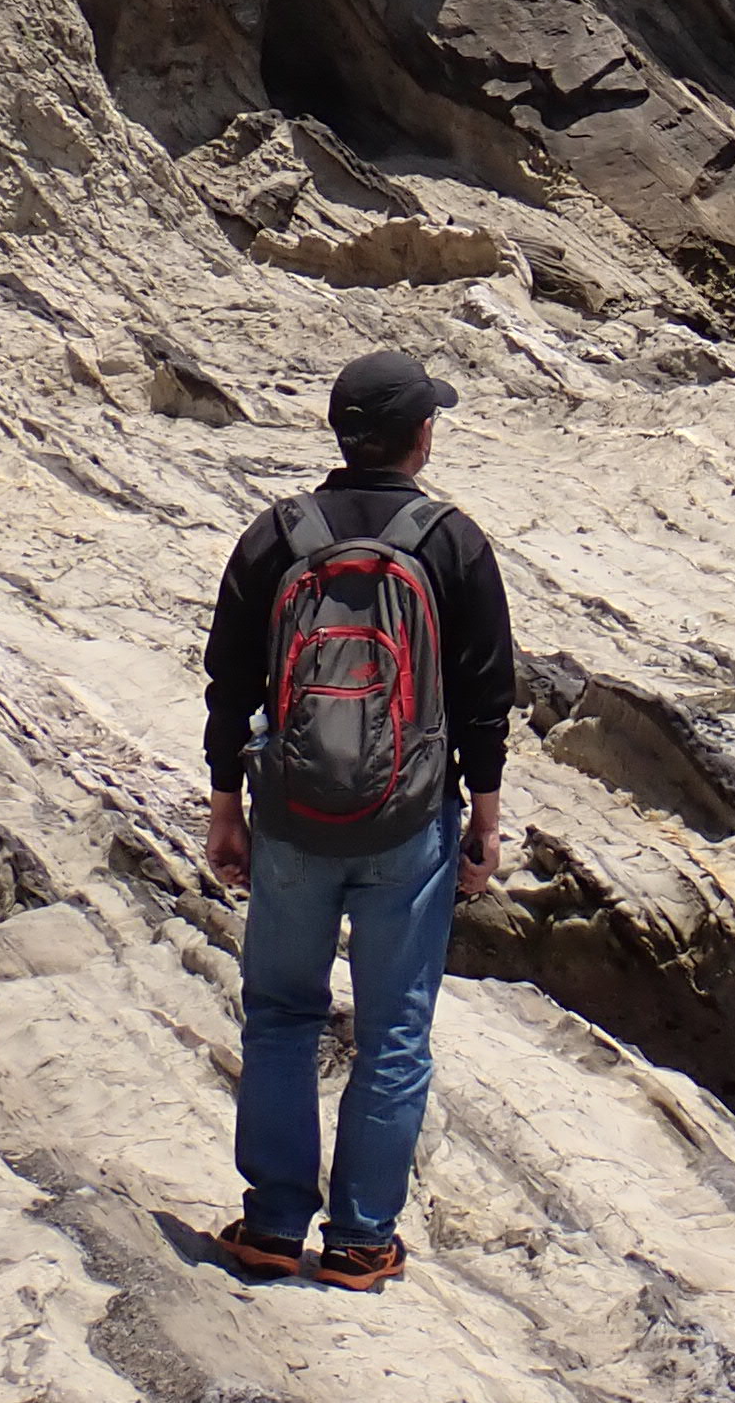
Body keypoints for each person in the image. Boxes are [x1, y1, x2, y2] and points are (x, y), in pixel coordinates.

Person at [204, 352, 514, 1293]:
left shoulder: (278, 536)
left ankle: (269, 1226)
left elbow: (230, 682)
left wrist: (227, 802)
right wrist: (486, 816)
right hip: (409, 823)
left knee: (282, 1016)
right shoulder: (451, 541)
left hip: (293, 818)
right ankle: (360, 1241)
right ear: (421, 438)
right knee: (393, 1031)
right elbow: (486, 698)